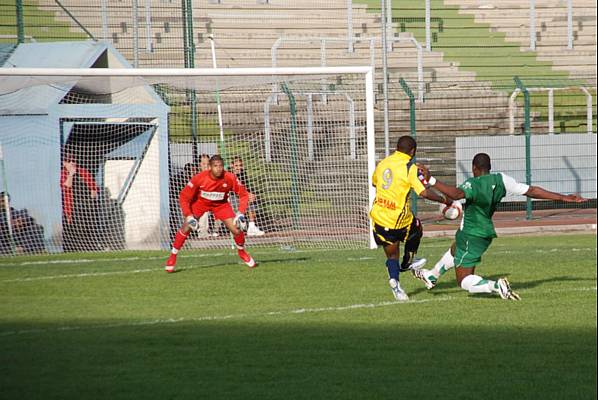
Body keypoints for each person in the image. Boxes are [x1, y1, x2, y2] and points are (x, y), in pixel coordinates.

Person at [413, 152, 587, 300]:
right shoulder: (501, 179)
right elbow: (532, 191)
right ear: (489, 166)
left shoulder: (472, 184)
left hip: (472, 234)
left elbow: (457, 193)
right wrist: (563, 197)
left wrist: (432, 180)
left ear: (474, 168)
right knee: (455, 248)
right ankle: (431, 276)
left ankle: (496, 286)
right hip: (484, 232)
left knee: (463, 280)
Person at [370, 136, 455, 301]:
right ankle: (408, 262)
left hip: (379, 218)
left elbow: (375, 183)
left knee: (391, 256)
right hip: (397, 219)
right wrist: (446, 200)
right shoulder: (410, 167)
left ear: (396, 147)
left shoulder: (383, 163)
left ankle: (395, 283)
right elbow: (424, 192)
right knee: (417, 227)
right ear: (413, 151)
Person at [165, 154, 256, 272]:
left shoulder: (230, 177)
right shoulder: (199, 178)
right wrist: (189, 215)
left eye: (221, 166)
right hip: (200, 204)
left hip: (221, 205)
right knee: (186, 227)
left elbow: (243, 195)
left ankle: (242, 251)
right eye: (215, 166)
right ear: (209, 167)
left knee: (236, 229)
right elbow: (184, 197)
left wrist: (240, 213)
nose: (218, 168)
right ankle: (172, 256)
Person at [61, 152, 100, 252]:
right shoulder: (64, 173)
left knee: (88, 229)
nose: (73, 163)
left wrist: (91, 198)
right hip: (72, 207)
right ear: (65, 163)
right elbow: (67, 186)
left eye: (74, 161)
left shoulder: (83, 172)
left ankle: (91, 247)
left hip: (86, 207)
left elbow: (94, 188)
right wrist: (71, 174)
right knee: (74, 230)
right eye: (70, 161)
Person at [230, 156, 265, 236]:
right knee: (246, 199)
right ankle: (238, 226)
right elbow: (233, 190)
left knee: (251, 201)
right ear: (232, 165)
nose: (238, 168)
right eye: (236, 166)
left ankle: (251, 227)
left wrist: (250, 194)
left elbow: (246, 187)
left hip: (240, 197)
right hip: (231, 198)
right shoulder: (229, 175)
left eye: (240, 166)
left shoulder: (243, 174)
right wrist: (246, 195)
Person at [169, 161, 199, 241]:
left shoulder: (196, 179)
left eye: (194, 171)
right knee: (180, 214)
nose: (193, 173)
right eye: (191, 171)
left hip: (191, 202)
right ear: (186, 171)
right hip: (178, 201)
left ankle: (196, 232)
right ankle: (180, 234)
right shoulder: (178, 179)